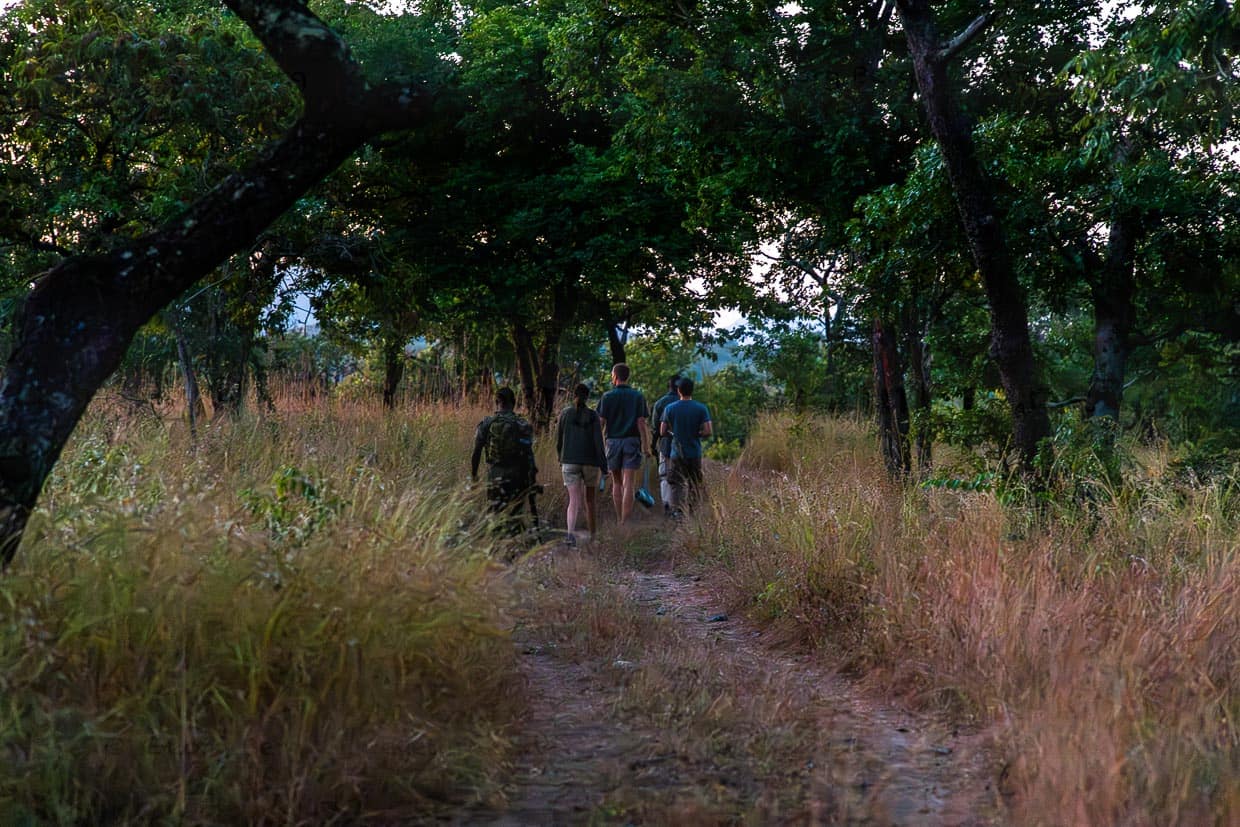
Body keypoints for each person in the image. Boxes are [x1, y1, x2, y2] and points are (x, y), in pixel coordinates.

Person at [470, 387, 538, 529]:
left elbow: (476, 452)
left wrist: (474, 476)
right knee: (515, 516)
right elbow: (529, 453)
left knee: (494, 515)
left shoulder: (487, 423)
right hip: (517, 475)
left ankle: (495, 539)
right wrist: (531, 477)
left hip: (495, 474)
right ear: (513, 402)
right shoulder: (522, 424)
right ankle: (513, 537)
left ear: (497, 402)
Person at [596, 362, 650, 525]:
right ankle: (624, 522)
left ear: (615, 376)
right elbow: (641, 423)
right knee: (629, 483)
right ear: (628, 376)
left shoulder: (607, 397)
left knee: (617, 482)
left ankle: (619, 517)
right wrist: (646, 446)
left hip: (612, 442)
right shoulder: (638, 396)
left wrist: (597, 445)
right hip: (632, 441)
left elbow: (601, 423)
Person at [555, 383, 607, 543]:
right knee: (590, 501)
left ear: (574, 395)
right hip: (590, 462)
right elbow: (599, 443)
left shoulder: (564, 414)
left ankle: (570, 535)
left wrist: (560, 458)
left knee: (573, 500)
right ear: (588, 397)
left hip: (569, 461)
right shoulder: (593, 416)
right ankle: (593, 536)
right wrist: (604, 466)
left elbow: (558, 440)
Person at [660, 376, 712, 517]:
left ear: (678, 391)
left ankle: (677, 512)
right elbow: (708, 431)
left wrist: (674, 433)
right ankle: (693, 513)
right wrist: (697, 434)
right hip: (694, 452)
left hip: (676, 453)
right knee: (694, 483)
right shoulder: (701, 408)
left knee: (675, 483)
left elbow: (662, 431)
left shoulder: (670, 408)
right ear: (692, 390)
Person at [650, 374, 682, 516]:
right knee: (680, 478)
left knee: (664, 476)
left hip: (665, 445)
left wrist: (652, 445)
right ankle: (679, 508)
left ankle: (667, 506)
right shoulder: (686, 402)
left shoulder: (660, 403)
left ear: (668, 386)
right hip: (684, 447)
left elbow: (656, 429)